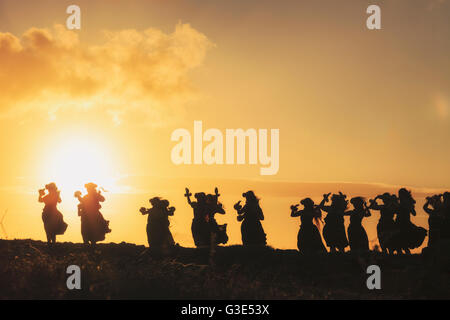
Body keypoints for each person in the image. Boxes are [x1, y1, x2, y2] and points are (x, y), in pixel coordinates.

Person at [393, 188, 427, 254]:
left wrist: (409, 207)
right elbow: (395, 211)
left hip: (405, 223)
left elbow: (414, 213)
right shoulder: (399, 203)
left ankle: (406, 256)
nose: (399, 196)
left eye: (400, 194)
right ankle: (401, 256)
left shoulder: (407, 203)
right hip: (399, 222)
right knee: (399, 243)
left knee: (404, 242)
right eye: (399, 194)